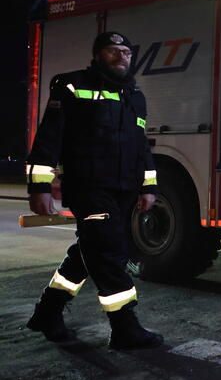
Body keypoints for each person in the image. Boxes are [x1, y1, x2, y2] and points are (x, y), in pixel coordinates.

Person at [25, 31, 164, 350]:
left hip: (124, 190)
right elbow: (49, 139)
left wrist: (148, 187)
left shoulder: (135, 95)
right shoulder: (72, 85)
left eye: (126, 52)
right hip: (89, 187)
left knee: (87, 251)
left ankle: (48, 312)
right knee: (108, 253)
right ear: (98, 55)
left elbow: (141, 146)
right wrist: (39, 187)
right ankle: (125, 327)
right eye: (113, 51)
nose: (121, 57)